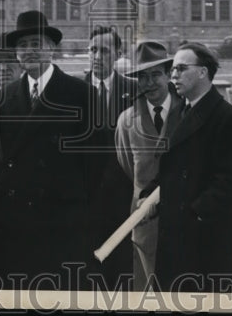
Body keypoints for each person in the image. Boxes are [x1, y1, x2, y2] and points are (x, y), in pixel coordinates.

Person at [0, 10, 98, 289]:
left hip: (63, 220)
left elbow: (96, 162)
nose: (29, 51)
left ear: (52, 49)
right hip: (15, 220)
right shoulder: (7, 94)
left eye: (37, 44)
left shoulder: (80, 93)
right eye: (22, 46)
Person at [146, 42, 232, 292]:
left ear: (203, 72)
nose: (173, 76)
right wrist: (149, 195)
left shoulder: (225, 116)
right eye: (172, 70)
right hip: (175, 232)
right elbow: (170, 168)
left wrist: (194, 213)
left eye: (181, 69)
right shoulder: (179, 111)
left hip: (204, 236)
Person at [114, 40, 182, 290]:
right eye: (142, 77)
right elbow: (127, 167)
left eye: (155, 75)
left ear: (168, 75)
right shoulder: (127, 121)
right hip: (145, 225)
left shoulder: (188, 114)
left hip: (183, 222)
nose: (149, 83)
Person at [84, 26, 137, 289]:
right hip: (85, 196)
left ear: (118, 53)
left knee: (122, 268)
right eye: (92, 50)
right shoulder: (72, 90)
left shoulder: (134, 90)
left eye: (104, 51)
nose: (97, 56)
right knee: (87, 269)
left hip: (123, 195)